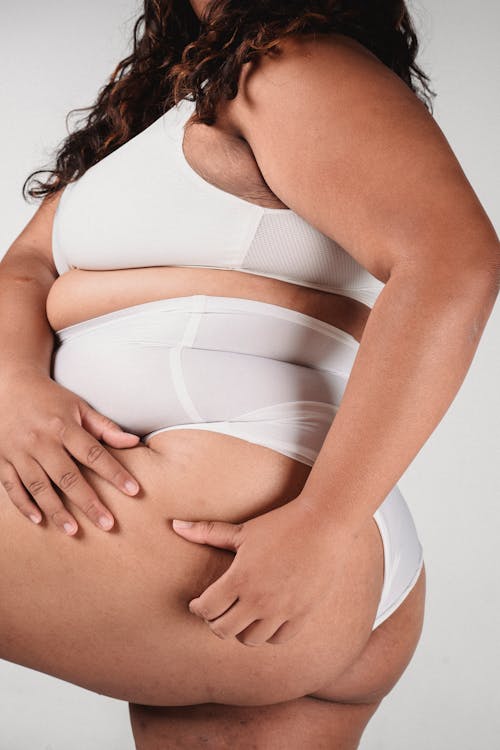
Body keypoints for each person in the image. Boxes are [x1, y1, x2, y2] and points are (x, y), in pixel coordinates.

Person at [0, 1, 498, 748]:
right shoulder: (175, 108)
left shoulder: (295, 65)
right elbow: (26, 266)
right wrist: (13, 381)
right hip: (254, 532)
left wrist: (322, 526)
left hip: (259, 526)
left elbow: (454, 263)